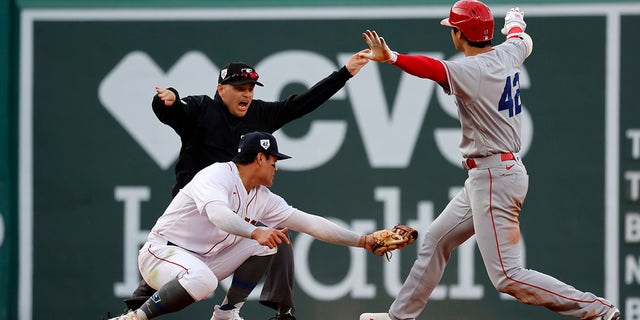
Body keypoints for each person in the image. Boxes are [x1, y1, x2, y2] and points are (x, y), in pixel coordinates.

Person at [357, 1, 621, 320]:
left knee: (507, 276)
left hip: (494, 175)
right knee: (436, 239)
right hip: (491, 174)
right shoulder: (508, 53)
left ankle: (597, 309)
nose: (451, 33)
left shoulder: (472, 70)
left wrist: (393, 57)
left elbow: (431, 68)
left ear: (460, 34)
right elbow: (522, 41)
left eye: (452, 28)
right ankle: (400, 316)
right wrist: (515, 24)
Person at [123, 53, 369, 320]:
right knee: (178, 269)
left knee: (275, 240)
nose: (247, 94)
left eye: (251, 89)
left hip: (235, 208)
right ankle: (133, 314)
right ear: (221, 89)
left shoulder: (258, 118)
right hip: (196, 211)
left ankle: (258, 312)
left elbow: (300, 104)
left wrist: (344, 73)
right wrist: (166, 101)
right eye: (240, 88)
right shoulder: (203, 109)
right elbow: (175, 110)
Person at [109, 131, 379, 320]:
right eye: (273, 161)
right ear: (260, 158)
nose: (276, 168)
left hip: (203, 261)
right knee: (206, 277)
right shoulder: (217, 175)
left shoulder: (262, 197)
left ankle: (226, 313)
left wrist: (364, 241)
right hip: (162, 254)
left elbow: (310, 224)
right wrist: (255, 231)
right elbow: (218, 215)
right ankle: (136, 318)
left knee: (267, 246)